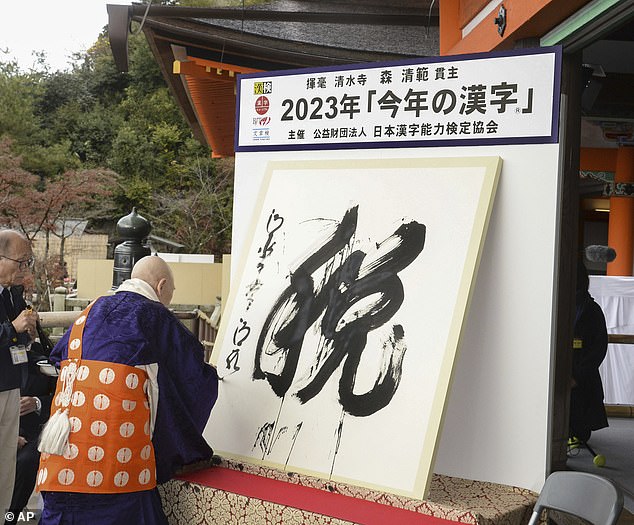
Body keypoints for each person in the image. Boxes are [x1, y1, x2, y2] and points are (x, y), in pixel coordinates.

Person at [36, 255, 219, 524]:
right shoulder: (153, 316)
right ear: (161, 286)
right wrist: (211, 376)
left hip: (60, 458)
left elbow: (57, 359)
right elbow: (192, 379)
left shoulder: (89, 312)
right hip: (116, 465)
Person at [0, 230, 37, 516]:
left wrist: (27, 333)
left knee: (6, 466)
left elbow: (17, 341)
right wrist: (13, 327)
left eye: (28, 262)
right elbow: (9, 330)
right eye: (20, 262)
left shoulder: (13, 293)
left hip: (11, 385)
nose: (24, 269)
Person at [5, 344, 56, 525]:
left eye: (33, 319)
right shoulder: (4, 350)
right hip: (5, 430)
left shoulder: (46, 353)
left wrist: (37, 403)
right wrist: (9, 437)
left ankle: (10, 516)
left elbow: (62, 396)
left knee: (25, 462)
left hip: (36, 433)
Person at [569, 260, 609, 444]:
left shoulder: (592, 311)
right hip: (561, 371)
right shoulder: (556, 305)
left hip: (581, 376)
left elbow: (598, 349)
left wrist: (577, 377)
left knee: (580, 431)